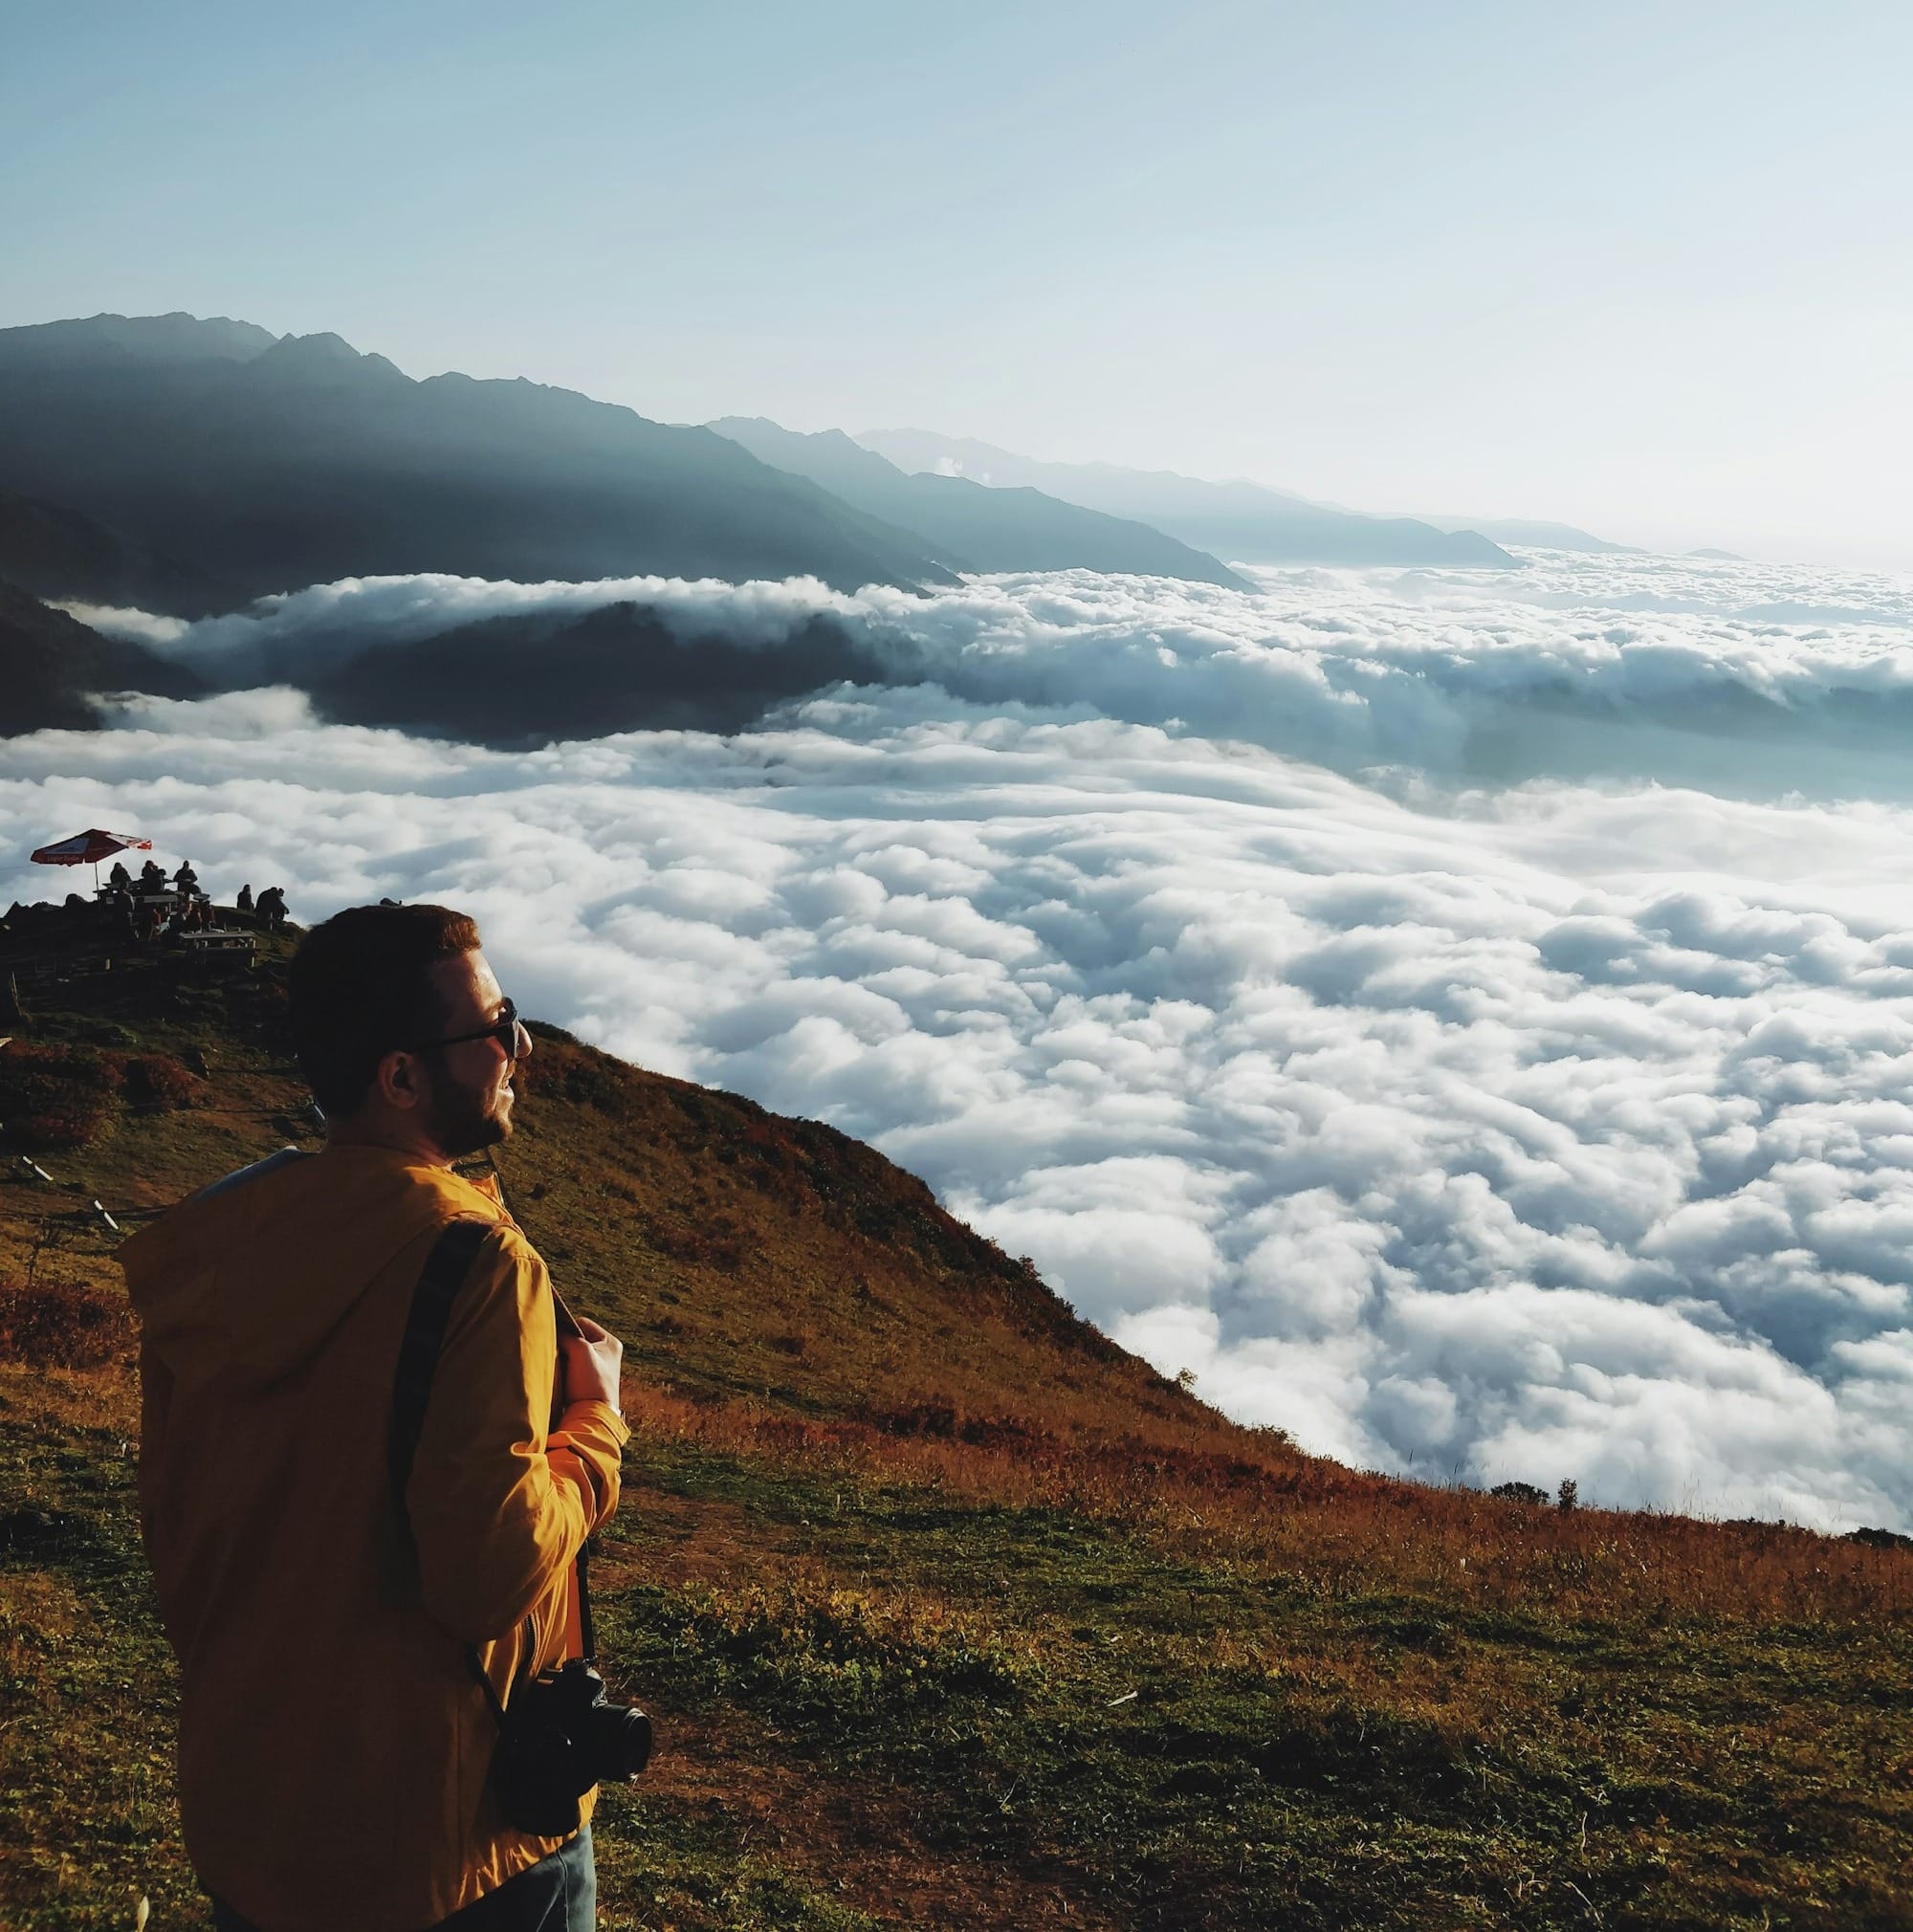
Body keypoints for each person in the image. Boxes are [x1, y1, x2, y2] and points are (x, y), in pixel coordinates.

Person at [121, 904, 628, 1931]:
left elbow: (179, 1528)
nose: (519, 1045)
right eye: (494, 1025)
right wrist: (598, 1426)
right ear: (400, 1077)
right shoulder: (476, 1266)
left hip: (258, 1810)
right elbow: (489, 1569)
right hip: (445, 1843)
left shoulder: (218, 1247)